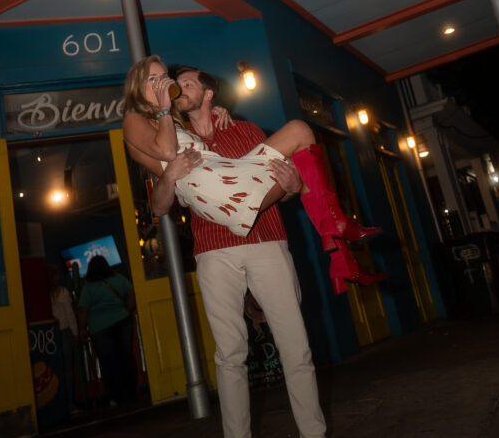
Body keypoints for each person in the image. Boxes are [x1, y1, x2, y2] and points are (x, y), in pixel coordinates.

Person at [122, 56, 377, 438]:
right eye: (165, 82)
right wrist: (173, 172)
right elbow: (160, 205)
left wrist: (288, 191)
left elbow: (285, 181)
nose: (175, 88)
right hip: (212, 248)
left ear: (209, 92)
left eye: (182, 82)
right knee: (230, 356)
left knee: (296, 345)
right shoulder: (164, 133)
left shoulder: (243, 129)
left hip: (267, 241)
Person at [122, 56, 385, 294]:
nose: (162, 84)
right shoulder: (136, 119)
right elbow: (167, 151)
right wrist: (166, 109)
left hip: (232, 180)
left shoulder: (175, 120)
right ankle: (337, 239)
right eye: (153, 79)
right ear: (137, 86)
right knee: (299, 139)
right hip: (220, 198)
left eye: (163, 78)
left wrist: (213, 109)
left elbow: (184, 127)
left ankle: (340, 254)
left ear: (208, 94)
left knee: (300, 131)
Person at [77, 255, 137, 408]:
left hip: (100, 328)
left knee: (108, 363)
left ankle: (117, 396)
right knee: (126, 356)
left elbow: (83, 311)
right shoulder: (118, 278)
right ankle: (132, 392)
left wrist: (82, 330)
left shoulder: (88, 287)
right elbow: (131, 292)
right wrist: (128, 308)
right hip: (122, 321)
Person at [46, 264, 80, 415]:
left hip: (49, 335)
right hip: (65, 331)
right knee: (67, 369)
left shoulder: (42, 294)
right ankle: (70, 404)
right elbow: (70, 315)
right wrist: (75, 333)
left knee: (53, 370)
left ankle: (55, 405)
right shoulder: (63, 292)